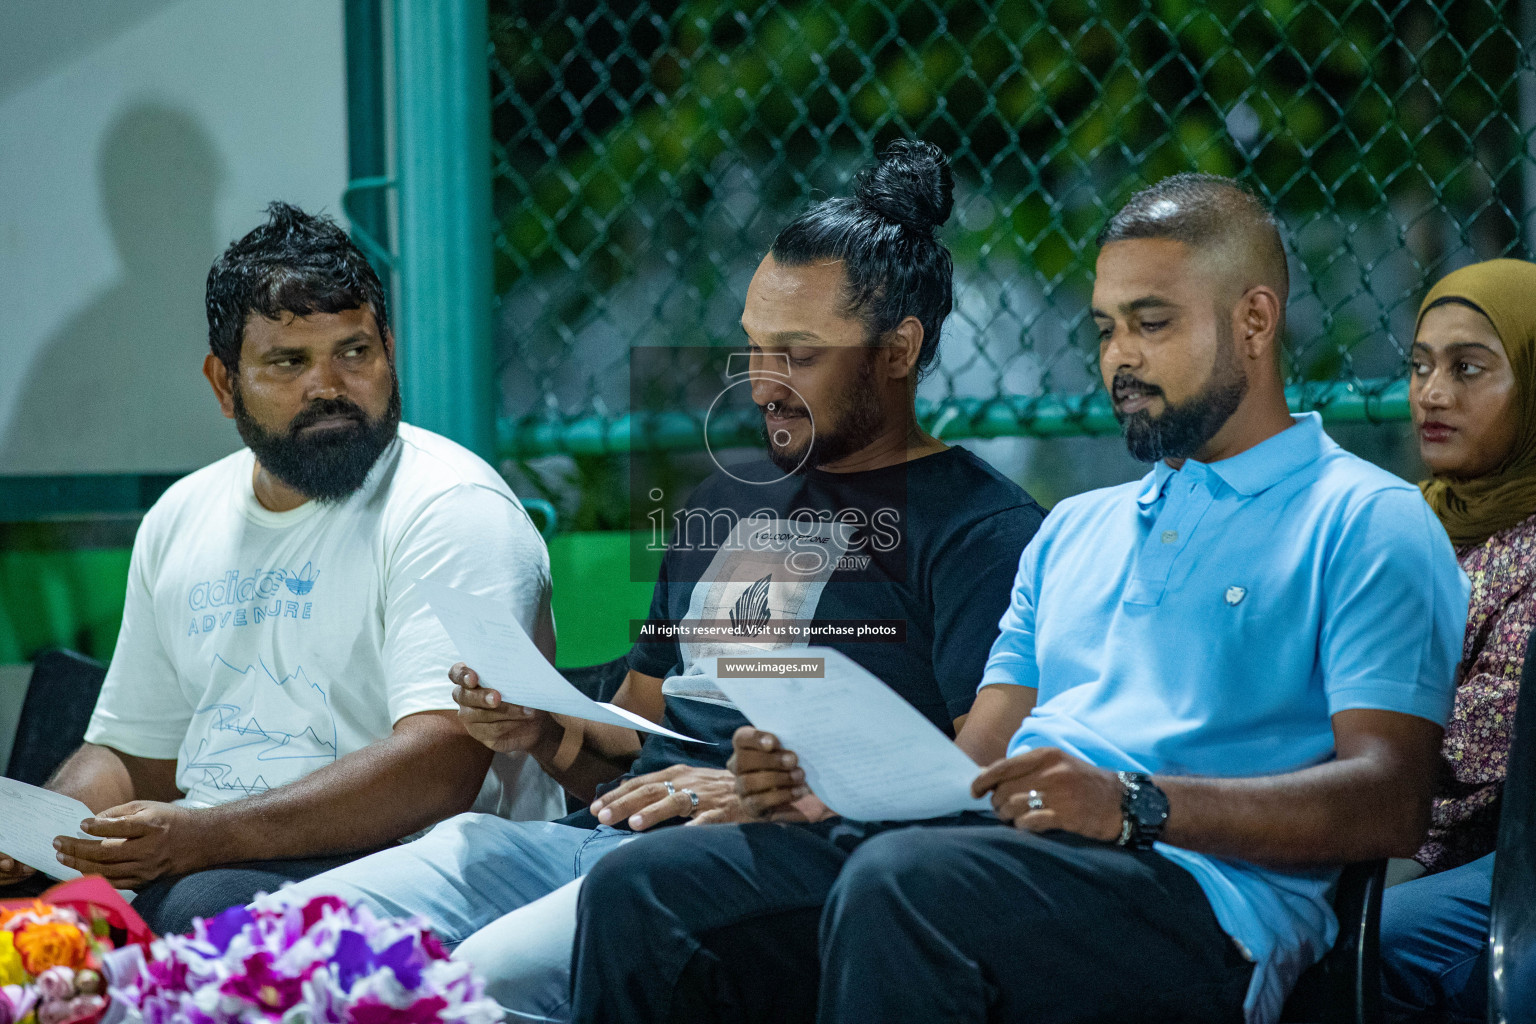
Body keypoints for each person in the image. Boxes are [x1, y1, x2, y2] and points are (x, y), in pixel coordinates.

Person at [568, 172, 1469, 1024]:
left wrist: (1131, 803)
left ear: (1256, 321)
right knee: (646, 888)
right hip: (991, 849)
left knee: (907, 884)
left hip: (1201, 896)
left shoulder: (1366, 519)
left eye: (1150, 324)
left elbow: (1389, 801)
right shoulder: (1078, 528)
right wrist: (829, 790)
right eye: (1106, 328)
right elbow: (974, 758)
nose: (1120, 357)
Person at [276, 141, 1046, 1020]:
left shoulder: (981, 531)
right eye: (754, 346)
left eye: (799, 354)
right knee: (301, 931)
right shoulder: (723, 500)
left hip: (777, 856)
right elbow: (641, 748)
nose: (761, 383)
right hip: (610, 840)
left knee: (473, 978)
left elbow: (972, 781)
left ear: (898, 350)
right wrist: (540, 730)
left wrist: (789, 796)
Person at [0, 203, 564, 932]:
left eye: (354, 352)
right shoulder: (181, 516)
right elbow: (135, 756)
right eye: (288, 362)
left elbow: (441, 767)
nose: (328, 385)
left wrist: (201, 838)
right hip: (215, 859)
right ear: (224, 383)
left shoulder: (451, 506)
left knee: (194, 913)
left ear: (389, 349)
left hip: (417, 865)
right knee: (41, 932)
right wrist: (43, 840)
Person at [1379, 258, 1536, 1023]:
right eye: (1420, 367)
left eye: (1469, 368)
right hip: (1367, 806)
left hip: (1499, 848)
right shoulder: (1403, 518)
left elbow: (1472, 746)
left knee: (1374, 938)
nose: (1432, 394)